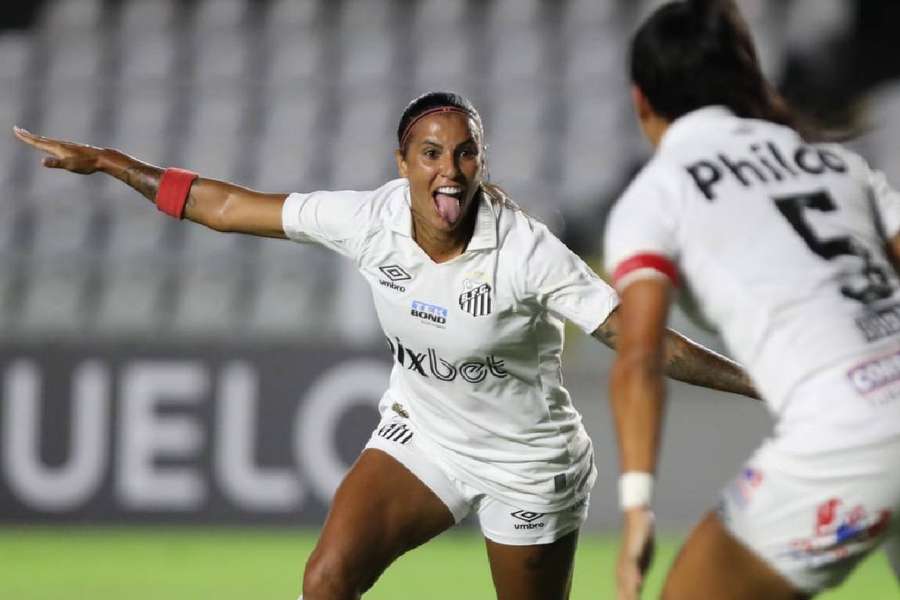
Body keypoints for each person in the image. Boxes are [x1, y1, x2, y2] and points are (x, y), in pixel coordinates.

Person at [14, 90, 755, 600]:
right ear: (403, 164)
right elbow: (228, 206)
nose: (450, 172)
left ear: (482, 163)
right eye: (431, 154)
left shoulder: (525, 251)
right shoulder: (369, 219)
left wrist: (762, 380)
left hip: (528, 462)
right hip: (424, 435)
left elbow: (645, 343)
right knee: (326, 580)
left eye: (466, 155)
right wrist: (111, 161)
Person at [604, 1, 900, 599]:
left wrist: (636, 505)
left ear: (641, 102)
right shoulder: (839, 163)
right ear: (748, 81)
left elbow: (638, 358)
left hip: (847, 436)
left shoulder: (657, 194)